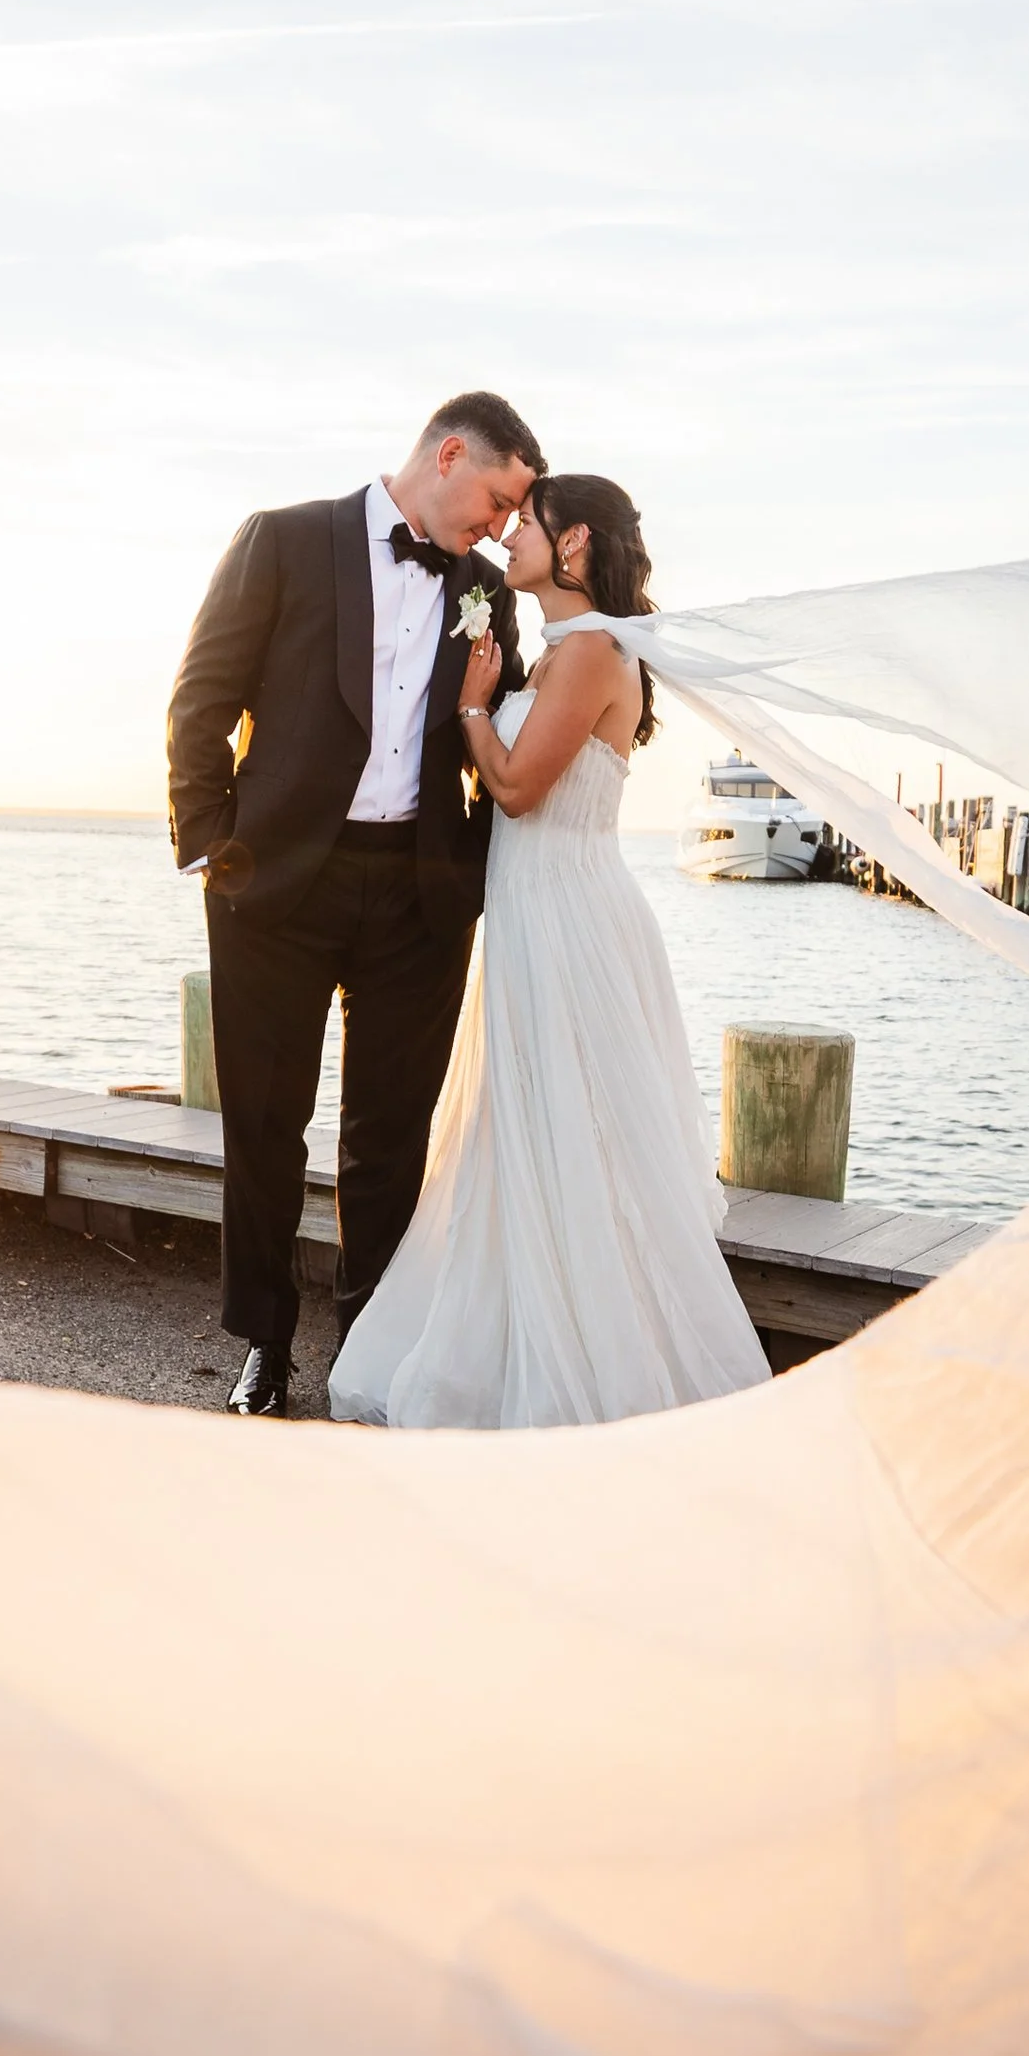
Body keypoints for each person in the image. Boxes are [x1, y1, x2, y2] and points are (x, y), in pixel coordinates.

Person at [326, 475, 773, 1429]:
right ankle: (520, 1334)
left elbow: (522, 792)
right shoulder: (568, 650)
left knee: (577, 1129)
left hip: (567, 917)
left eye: (524, 522)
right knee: (532, 1126)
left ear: (572, 543)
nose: (507, 534)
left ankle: (598, 1360)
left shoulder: (593, 650)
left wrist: (476, 708)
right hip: (536, 908)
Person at [166, 391, 543, 1418]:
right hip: (277, 882)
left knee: (391, 1136)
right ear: (451, 453)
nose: (504, 528)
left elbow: (489, 713)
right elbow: (202, 698)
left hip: (419, 894)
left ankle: (366, 1350)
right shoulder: (283, 540)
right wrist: (209, 850)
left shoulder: (479, 587)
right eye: (500, 499)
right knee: (264, 1123)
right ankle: (264, 1342)